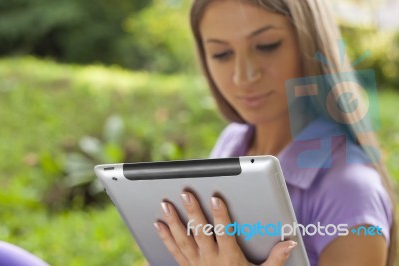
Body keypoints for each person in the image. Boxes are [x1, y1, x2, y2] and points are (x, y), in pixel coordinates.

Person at [152, 0, 397, 265]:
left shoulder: (351, 189)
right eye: (221, 53)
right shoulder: (232, 142)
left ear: (310, 45)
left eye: (267, 46)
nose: (243, 76)